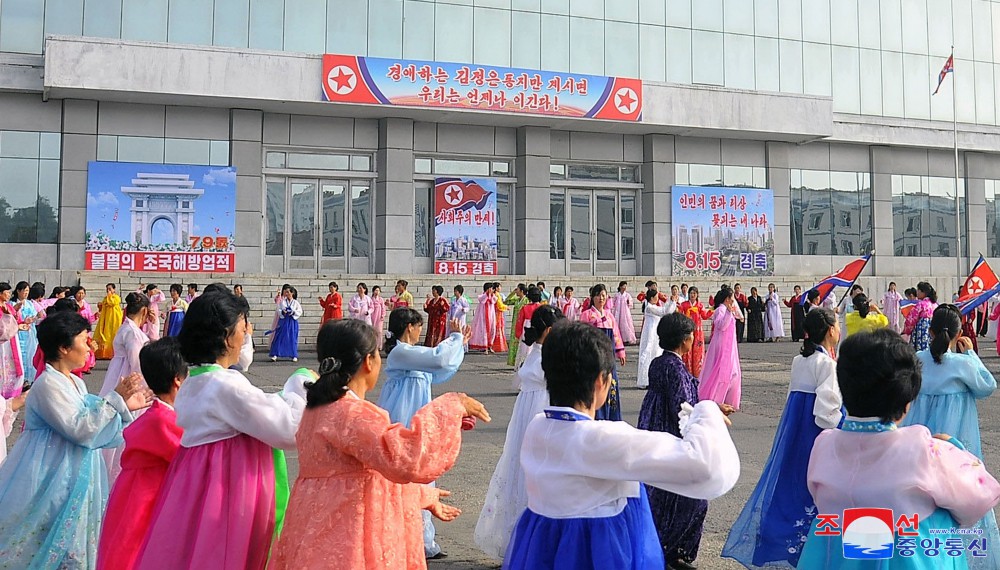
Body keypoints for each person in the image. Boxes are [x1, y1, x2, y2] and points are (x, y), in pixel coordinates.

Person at [503, 321, 740, 570]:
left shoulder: (539, 427)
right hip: (597, 552)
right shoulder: (603, 439)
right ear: (601, 382)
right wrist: (706, 412)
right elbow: (705, 468)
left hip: (542, 548)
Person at [268, 319, 489, 570]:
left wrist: (422, 495)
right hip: (347, 538)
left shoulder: (316, 411)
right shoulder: (352, 413)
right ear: (368, 362)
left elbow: (362, 476)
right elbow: (406, 456)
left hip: (311, 529)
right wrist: (452, 406)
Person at [798, 328, 1000, 569]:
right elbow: (980, 497)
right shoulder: (923, 448)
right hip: (908, 559)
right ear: (906, 404)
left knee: (858, 523)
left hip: (841, 557)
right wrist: (952, 447)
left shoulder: (824, 444)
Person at [134, 292, 307, 570]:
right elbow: (286, 428)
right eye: (242, 329)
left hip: (200, 490)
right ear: (227, 337)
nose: (245, 335)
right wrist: (301, 384)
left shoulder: (196, 380)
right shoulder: (225, 385)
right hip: (226, 494)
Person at [0, 311, 149, 566]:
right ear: (63, 347)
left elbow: (96, 423)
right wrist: (115, 400)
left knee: (73, 541)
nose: (90, 345)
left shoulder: (74, 383)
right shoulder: (47, 384)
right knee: (43, 538)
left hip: (73, 474)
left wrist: (123, 405)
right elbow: (80, 428)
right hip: (49, 475)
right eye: (84, 339)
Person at [722, 308, 843, 568]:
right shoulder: (827, 365)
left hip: (795, 432)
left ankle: (781, 543)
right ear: (831, 330)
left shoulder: (800, 361)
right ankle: (812, 547)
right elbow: (826, 413)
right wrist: (842, 427)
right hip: (815, 436)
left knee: (791, 485)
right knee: (815, 489)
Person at [900, 305, 1000, 569]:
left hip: (920, 441)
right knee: (963, 497)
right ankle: (968, 557)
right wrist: (970, 353)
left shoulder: (917, 359)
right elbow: (987, 387)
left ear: (930, 331)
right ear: (958, 333)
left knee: (921, 497)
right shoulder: (963, 363)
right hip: (955, 443)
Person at [639, 312, 736, 569]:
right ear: (684, 340)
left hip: (653, 428)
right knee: (692, 498)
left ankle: (662, 547)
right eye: (692, 334)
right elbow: (684, 406)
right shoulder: (675, 368)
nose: (695, 338)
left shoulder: (659, 363)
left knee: (661, 493)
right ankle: (673, 549)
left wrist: (713, 405)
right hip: (671, 432)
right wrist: (711, 417)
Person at [376, 307, 470, 559]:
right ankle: (402, 536)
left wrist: (458, 345)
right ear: (410, 327)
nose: (420, 331)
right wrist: (455, 339)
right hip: (403, 415)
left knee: (420, 470)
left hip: (415, 413)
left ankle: (422, 539)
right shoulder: (401, 352)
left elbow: (441, 370)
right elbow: (439, 359)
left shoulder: (412, 354)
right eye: (419, 326)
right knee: (404, 471)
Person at [475, 305, 562, 560]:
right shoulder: (545, 354)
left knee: (524, 470)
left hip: (529, 410)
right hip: (539, 411)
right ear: (548, 330)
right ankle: (532, 543)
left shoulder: (535, 351)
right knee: (534, 471)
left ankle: (523, 540)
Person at [97, 337, 186, 570]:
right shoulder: (165, 420)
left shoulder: (159, 415)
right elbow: (189, 457)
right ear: (178, 380)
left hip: (134, 494)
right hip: (147, 499)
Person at [99, 292, 153, 481]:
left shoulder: (126, 328)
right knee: (127, 419)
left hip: (117, 372)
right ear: (145, 310)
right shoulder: (133, 333)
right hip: (129, 376)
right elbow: (137, 362)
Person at [580, 284, 627, 421]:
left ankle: (612, 417)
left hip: (609, 356)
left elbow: (616, 335)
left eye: (603, 295)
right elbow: (582, 335)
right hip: (593, 356)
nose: (601, 298)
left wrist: (621, 352)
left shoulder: (609, 316)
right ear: (592, 297)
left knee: (611, 383)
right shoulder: (586, 315)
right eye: (598, 295)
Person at [697, 288, 743, 411]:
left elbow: (739, 316)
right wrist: (728, 312)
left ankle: (728, 398)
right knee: (721, 372)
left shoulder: (728, 310)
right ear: (727, 299)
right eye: (732, 299)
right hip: (722, 345)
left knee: (733, 372)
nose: (733, 301)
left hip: (730, 344)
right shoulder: (720, 310)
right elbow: (721, 325)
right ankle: (715, 398)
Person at [636, 284, 677, 389]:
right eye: (656, 297)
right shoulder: (649, 307)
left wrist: (671, 302)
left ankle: (653, 379)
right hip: (650, 333)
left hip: (654, 332)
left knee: (655, 353)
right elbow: (663, 312)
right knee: (647, 353)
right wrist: (672, 302)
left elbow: (665, 311)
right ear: (651, 298)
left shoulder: (651, 306)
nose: (657, 299)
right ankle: (645, 380)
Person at [678, 287, 712, 378]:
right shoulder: (684, 305)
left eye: (694, 293)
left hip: (697, 332)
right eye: (691, 293)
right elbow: (680, 315)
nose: (692, 295)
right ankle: (687, 371)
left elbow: (704, 316)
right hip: (687, 331)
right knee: (687, 351)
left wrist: (712, 309)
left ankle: (698, 372)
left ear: (697, 295)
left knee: (697, 351)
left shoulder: (700, 305)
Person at [11, 282, 39, 381]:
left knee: (29, 355)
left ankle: (27, 378)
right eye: (25, 291)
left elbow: (34, 316)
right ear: (18, 291)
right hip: (17, 333)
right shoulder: (12, 304)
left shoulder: (30, 303)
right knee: (18, 355)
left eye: (28, 291)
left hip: (29, 333)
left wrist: (32, 319)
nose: (26, 293)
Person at [510, 285, 543, 371]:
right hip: (539, 329)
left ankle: (523, 365)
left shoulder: (525, 308)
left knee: (525, 349)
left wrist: (518, 333)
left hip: (526, 328)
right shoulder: (542, 308)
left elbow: (519, 321)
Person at [270, 286, 303, 362]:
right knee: (279, 337)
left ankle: (293, 355)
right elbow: (278, 309)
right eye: (286, 292)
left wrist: (293, 312)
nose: (287, 294)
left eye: (288, 292)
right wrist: (282, 312)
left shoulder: (295, 302)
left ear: (292, 293)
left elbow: (300, 311)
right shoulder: (282, 301)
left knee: (292, 337)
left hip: (292, 321)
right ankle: (275, 354)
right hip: (284, 320)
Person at [903, 281, 938, 351]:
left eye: (918, 290)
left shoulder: (921, 304)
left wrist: (906, 330)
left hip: (921, 332)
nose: (917, 292)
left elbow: (911, 320)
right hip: (934, 331)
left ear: (923, 292)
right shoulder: (936, 305)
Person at [94, 283, 123, 360]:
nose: (108, 290)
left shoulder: (116, 297)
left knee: (113, 334)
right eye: (107, 289)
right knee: (105, 334)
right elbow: (103, 305)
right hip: (106, 319)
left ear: (114, 289)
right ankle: (104, 353)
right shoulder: (105, 298)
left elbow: (111, 303)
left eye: (110, 289)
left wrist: (109, 295)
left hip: (114, 319)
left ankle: (113, 352)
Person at [469, 282, 498, 353]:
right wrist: (487, 294)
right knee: (484, 331)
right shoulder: (482, 296)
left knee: (492, 329)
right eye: (491, 288)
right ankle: (484, 347)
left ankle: (490, 345)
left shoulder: (493, 296)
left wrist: (490, 295)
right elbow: (482, 300)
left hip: (491, 316)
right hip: (483, 317)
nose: (492, 289)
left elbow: (494, 300)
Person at [505, 284, 529, 366]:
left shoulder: (526, 300)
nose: (516, 291)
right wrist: (512, 293)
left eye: (517, 289)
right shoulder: (516, 300)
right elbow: (506, 301)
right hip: (515, 323)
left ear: (522, 291)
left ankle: (522, 361)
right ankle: (514, 361)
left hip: (523, 324)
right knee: (514, 343)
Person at [613, 281, 638, 345]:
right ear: (620, 286)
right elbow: (613, 303)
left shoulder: (627, 295)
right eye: (623, 286)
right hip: (618, 311)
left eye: (625, 286)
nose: (625, 287)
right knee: (618, 324)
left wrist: (628, 302)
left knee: (626, 324)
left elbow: (631, 304)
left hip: (625, 312)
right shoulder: (617, 295)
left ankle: (627, 338)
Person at [448, 285, 471, 352]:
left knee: (461, 331)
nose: (455, 293)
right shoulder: (453, 300)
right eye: (454, 291)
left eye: (456, 291)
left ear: (459, 292)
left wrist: (464, 309)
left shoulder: (463, 300)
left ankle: (463, 347)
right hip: (454, 317)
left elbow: (467, 307)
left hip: (461, 318)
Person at [492, 282, 510, 354]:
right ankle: (498, 346)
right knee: (498, 329)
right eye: (499, 287)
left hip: (497, 313)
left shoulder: (495, 295)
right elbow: (499, 305)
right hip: (498, 314)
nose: (500, 288)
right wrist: (506, 307)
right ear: (496, 288)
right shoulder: (497, 295)